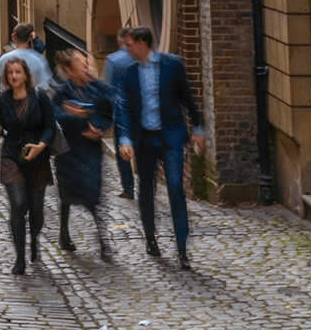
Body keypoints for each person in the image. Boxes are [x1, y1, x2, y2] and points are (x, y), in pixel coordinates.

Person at [111, 25, 204, 268]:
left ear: (142, 43)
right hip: (145, 139)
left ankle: (182, 249)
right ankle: (151, 238)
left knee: (175, 186)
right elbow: (123, 108)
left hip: (170, 136)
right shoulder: (128, 72)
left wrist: (198, 128)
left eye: (130, 45)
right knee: (146, 188)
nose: (127, 49)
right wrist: (125, 139)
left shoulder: (172, 65)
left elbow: (188, 98)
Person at [0, 53, 62, 275]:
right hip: (12, 156)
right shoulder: (1, 100)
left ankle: (35, 239)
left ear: (25, 75)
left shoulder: (40, 97)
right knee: (18, 204)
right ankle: (20, 257)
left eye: (17, 72)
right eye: (10, 73)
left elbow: (50, 126)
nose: (14, 76)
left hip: (37, 157)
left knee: (36, 211)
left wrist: (41, 145)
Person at [53, 45, 115, 260]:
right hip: (69, 150)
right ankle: (64, 233)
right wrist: (70, 114)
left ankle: (103, 241)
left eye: (86, 63)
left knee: (94, 195)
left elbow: (108, 109)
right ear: (70, 71)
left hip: (90, 150)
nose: (86, 67)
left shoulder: (97, 88)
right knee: (67, 194)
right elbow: (53, 115)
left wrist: (98, 128)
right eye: (81, 64)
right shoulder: (63, 92)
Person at [101, 38, 137, 199]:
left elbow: (108, 89)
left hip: (122, 113)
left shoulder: (113, 60)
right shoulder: (143, 58)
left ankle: (128, 188)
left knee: (122, 151)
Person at [0, 22, 53, 93]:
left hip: (8, 100)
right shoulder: (39, 60)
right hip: (32, 100)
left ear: (14, 36)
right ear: (30, 37)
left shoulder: (6, 58)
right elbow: (45, 87)